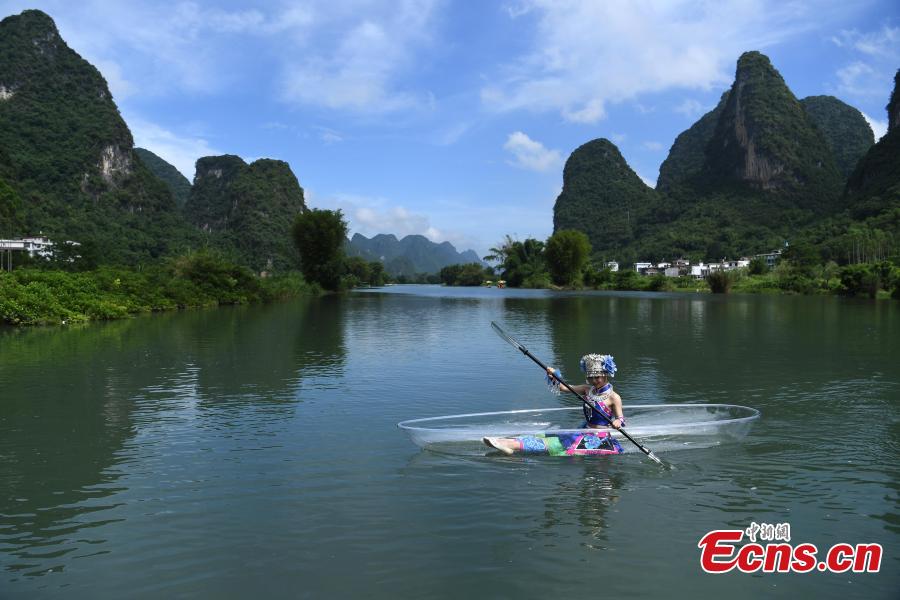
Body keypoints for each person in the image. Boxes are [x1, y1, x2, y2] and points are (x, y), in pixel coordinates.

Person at [483, 353, 625, 455]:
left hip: (598, 438)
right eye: (590, 377)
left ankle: (512, 445)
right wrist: (555, 376)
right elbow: (564, 388)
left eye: (597, 377)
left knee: (557, 444)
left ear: (605, 375)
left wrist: (617, 422)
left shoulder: (614, 397)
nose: (594, 381)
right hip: (584, 429)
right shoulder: (587, 389)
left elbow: (620, 418)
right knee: (547, 435)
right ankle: (509, 441)